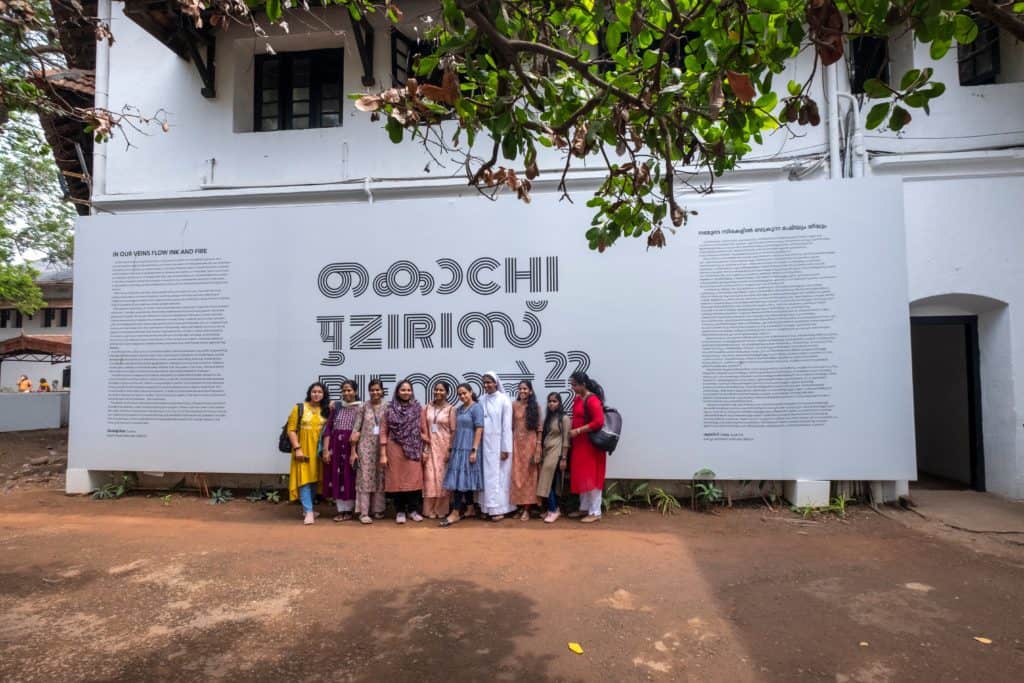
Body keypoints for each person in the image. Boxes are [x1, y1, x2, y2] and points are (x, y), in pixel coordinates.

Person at [380, 379, 425, 524]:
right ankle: (399, 511)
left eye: (408, 390)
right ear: (397, 392)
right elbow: (383, 431)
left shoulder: (418, 408)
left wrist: (426, 448)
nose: (406, 392)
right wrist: (383, 454)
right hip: (394, 448)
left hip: (413, 449)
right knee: (396, 480)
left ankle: (412, 510)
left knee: (413, 480)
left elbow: (424, 429)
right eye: (403, 390)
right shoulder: (389, 409)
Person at [440, 383, 485, 527]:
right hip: (459, 447)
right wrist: (451, 448)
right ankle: (470, 508)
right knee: (462, 479)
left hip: (469, 448)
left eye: (465, 393)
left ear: (471, 392)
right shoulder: (459, 409)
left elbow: (479, 429)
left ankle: (455, 512)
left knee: (461, 480)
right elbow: (456, 430)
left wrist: (474, 450)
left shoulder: (477, 407)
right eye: (459, 394)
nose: (462, 396)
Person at [286, 382, 330, 525]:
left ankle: (307, 509)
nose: (316, 394)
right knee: (304, 479)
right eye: (314, 391)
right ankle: (309, 511)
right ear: (309, 393)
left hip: (319, 451)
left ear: (324, 394)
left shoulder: (326, 410)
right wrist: (297, 448)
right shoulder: (299, 408)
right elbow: (291, 430)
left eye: (320, 392)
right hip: (303, 450)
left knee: (315, 480)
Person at [568, 371, 606, 523]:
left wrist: (578, 430)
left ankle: (595, 511)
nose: (573, 388)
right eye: (571, 385)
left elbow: (598, 422)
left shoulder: (592, 400)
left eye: (575, 385)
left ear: (583, 384)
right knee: (582, 476)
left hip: (590, 444)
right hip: (579, 443)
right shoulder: (578, 398)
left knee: (592, 477)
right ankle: (584, 508)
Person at [321, 380, 360, 521]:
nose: (346, 393)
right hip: (336, 448)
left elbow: (361, 429)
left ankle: (349, 511)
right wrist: (325, 450)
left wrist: (355, 448)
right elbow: (328, 430)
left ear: (355, 391)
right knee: (337, 476)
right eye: (344, 390)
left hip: (352, 447)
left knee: (350, 477)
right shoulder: (336, 407)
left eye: (349, 390)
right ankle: (341, 510)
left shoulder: (361, 408)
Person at [478, 370, 514, 521]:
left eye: (489, 382)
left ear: (496, 383)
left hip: (499, 445)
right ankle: (486, 507)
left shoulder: (504, 400)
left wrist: (505, 448)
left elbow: (507, 426)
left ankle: (498, 509)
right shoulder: (481, 400)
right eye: (484, 382)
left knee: (499, 477)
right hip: (484, 445)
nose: (486, 385)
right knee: (486, 477)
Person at [351, 379, 388, 524]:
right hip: (365, 447)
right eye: (372, 390)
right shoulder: (363, 407)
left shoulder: (388, 406)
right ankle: (364, 512)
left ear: (382, 391)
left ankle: (378, 510)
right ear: (369, 391)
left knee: (380, 477)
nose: (375, 392)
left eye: (378, 389)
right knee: (365, 478)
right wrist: (353, 451)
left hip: (382, 447)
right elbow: (356, 429)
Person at [420, 381, 456, 519]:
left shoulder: (451, 409)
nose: (438, 392)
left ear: (447, 392)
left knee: (442, 478)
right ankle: (429, 510)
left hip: (444, 446)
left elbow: (453, 431)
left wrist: (450, 449)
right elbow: (421, 427)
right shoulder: (427, 407)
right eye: (436, 390)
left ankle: (441, 509)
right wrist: (423, 437)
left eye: (441, 390)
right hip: (429, 446)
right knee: (429, 477)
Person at [537, 392, 572, 524]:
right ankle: (554, 508)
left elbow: (566, 440)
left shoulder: (564, 418)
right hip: (547, 453)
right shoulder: (550, 418)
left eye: (554, 401)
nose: (551, 403)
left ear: (560, 403)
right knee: (551, 483)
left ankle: (553, 511)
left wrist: (564, 458)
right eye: (550, 401)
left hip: (556, 454)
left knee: (547, 483)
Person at [510, 380, 542, 521]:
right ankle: (519, 506)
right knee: (517, 475)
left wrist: (538, 448)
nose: (522, 391)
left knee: (530, 476)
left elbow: (539, 428)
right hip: (516, 444)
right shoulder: (514, 405)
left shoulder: (536, 407)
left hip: (531, 444)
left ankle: (527, 509)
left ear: (530, 391)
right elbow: (511, 426)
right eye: (520, 389)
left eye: (525, 389)